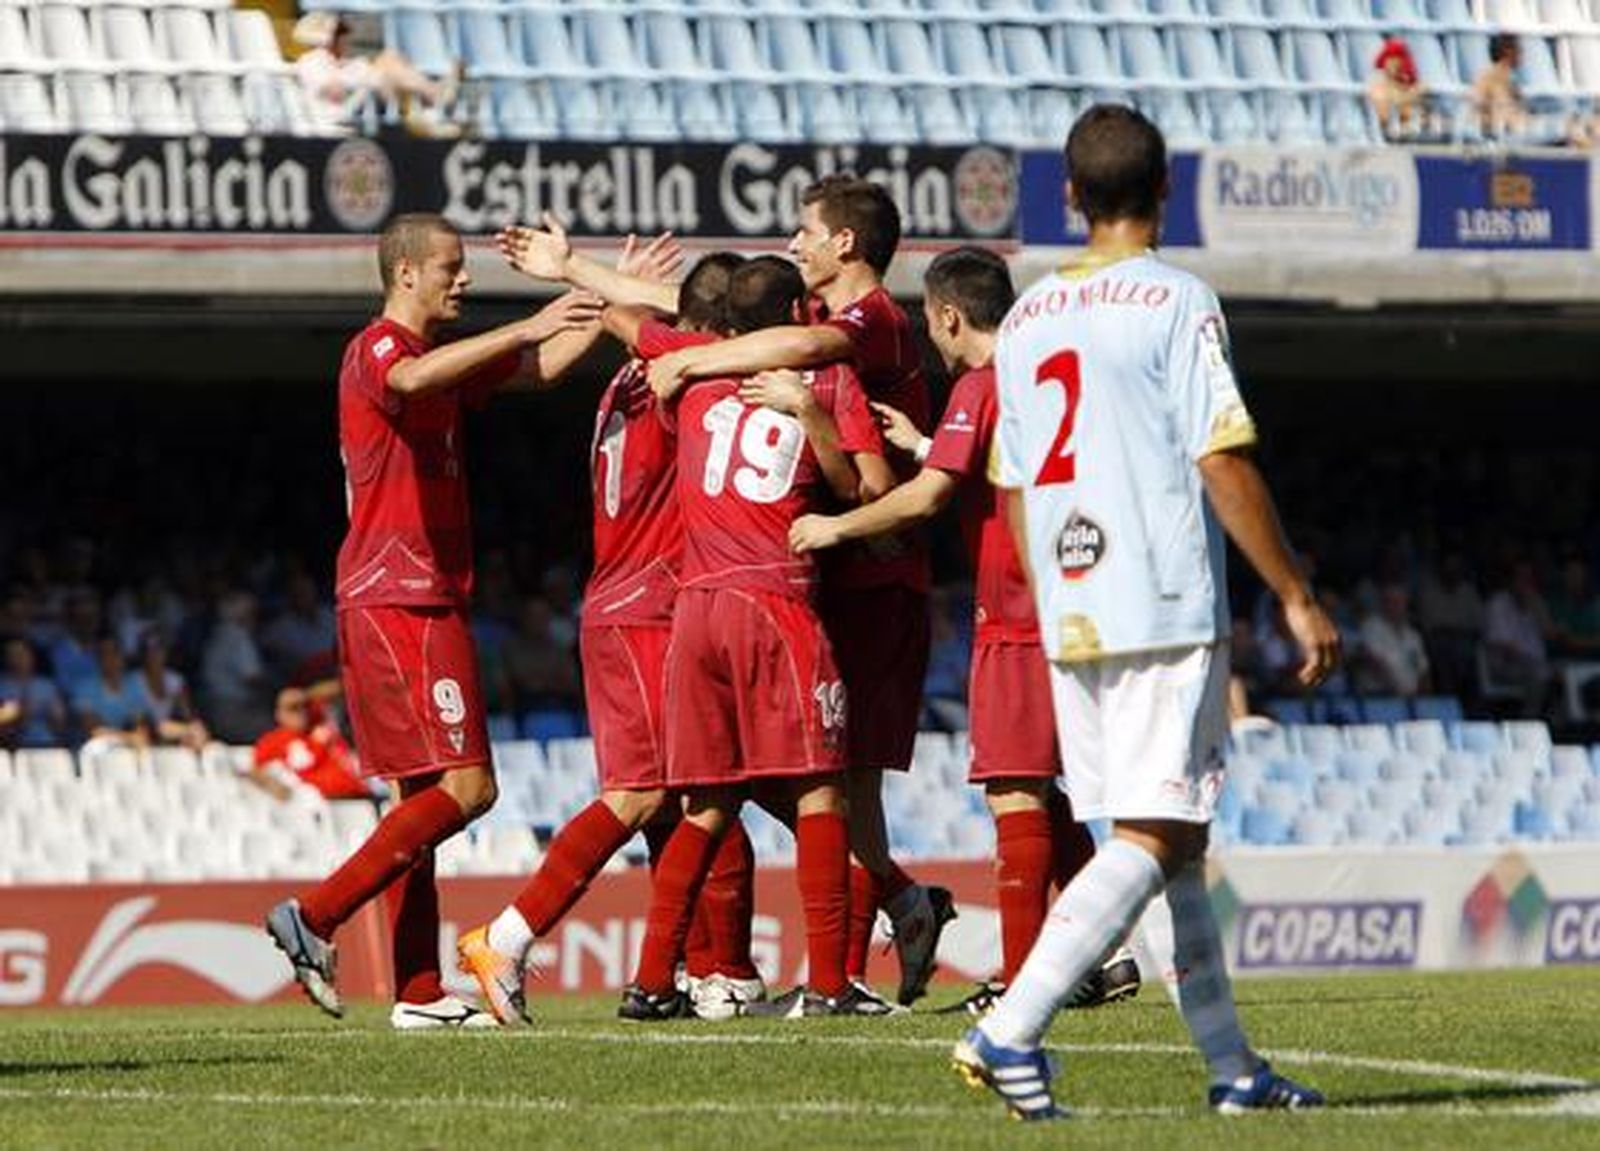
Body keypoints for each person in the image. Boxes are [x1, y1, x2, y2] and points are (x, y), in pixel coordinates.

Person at [950, 104, 1339, 1121]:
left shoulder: (1026, 317)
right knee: (1160, 830)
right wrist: (1295, 593)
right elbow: (1219, 454)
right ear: (1166, 191)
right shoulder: (1175, 297)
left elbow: (1016, 485)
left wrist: (1053, 589)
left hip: (1071, 608)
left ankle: (1232, 1067)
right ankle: (1010, 1025)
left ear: (1069, 196)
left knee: (1172, 840)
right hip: (1160, 599)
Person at [264, 212, 602, 1031]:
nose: (464, 279)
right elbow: (414, 382)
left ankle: (416, 989)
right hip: (398, 594)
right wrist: (524, 322)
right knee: (468, 786)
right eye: (451, 267)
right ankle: (314, 913)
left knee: (422, 796)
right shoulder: (380, 349)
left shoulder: (439, 363)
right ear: (406, 272)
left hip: (421, 592)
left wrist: (602, 296)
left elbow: (542, 369)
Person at [790, 246, 1137, 1016]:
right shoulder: (1046, 369)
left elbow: (925, 502)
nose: (928, 338)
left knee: (1015, 795)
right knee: (1045, 794)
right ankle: (1102, 954)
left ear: (949, 315)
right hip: (1078, 595)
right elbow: (1003, 459)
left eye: (930, 324)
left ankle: (1022, 982)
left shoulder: (983, 381)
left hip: (1015, 607)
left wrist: (834, 526)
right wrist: (925, 442)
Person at [644, 176, 953, 1007]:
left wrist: (685, 353)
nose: (798, 241)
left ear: (845, 243)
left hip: (865, 576)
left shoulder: (863, 325)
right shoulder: (799, 345)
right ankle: (868, 936)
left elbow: (810, 359)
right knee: (828, 781)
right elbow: (731, 314)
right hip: (801, 586)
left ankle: (838, 958)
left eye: (806, 229)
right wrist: (592, 279)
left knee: (831, 782)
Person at [459, 249, 773, 1025]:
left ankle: (712, 973)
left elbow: (630, 319)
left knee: (700, 795)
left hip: (626, 600)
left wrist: (605, 284)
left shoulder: (623, 382)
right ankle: (508, 934)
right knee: (646, 793)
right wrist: (608, 282)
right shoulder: (688, 372)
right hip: (650, 607)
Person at [620, 256, 896, 1019]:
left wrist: (578, 273)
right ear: (803, 313)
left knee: (706, 803)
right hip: (775, 599)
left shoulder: (690, 375)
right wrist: (810, 415)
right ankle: (832, 983)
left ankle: (650, 980)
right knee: (820, 789)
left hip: (696, 610)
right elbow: (863, 492)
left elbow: (629, 323)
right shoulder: (827, 379)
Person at [293, 11, 460, 137]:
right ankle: (431, 101)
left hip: (370, 96)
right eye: (338, 35)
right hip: (345, 110)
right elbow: (334, 92)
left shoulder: (344, 63)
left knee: (391, 57)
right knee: (387, 69)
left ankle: (427, 108)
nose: (344, 39)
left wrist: (351, 69)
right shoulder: (310, 60)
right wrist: (355, 77)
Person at [251, 687, 374, 804]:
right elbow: (255, 772)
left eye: (305, 705)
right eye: (293, 707)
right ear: (279, 713)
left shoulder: (320, 727)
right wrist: (274, 786)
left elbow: (337, 688)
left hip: (359, 794)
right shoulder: (272, 741)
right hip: (323, 803)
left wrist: (307, 695)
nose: (301, 711)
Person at [73, 635, 153, 750]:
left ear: (122, 657)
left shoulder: (135, 685)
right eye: (104, 654)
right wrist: (129, 738)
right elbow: (94, 730)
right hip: (95, 752)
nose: (109, 658)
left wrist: (135, 737)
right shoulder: (84, 688)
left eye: (114, 652)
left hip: (128, 748)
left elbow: (140, 727)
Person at [135, 631, 209, 750]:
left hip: (168, 731)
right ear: (143, 655)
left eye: (159, 651)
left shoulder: (175, 680)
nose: (156, 656)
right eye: (151, 652)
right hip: (144, 731)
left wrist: (194, 727)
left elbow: (188, 714)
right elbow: (139, 720)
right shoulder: (135, 680)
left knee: (197, 731)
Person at [1355, 584, 1431, 698]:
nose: (1397, 606)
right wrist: (1397, 691)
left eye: (1400, 602)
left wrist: (1425, 698)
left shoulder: (1413, 635)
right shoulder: (1371, 626)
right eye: (1392, 602)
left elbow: (1423, 670)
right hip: (1380, 696)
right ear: (1383, 604)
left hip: (1411, 698)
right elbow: (1373, 662)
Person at [0, 637, 68, 749]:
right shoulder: (2, 686)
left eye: (23, 653)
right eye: (13, 654)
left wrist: (56, 716)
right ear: (6, 658)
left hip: (46, 744)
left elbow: (59, 725)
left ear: (31, 655)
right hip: (11, 747)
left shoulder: (46, 685)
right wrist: (17, 714)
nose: (19, 658)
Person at [1472, 33, 1529, 143]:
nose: (1523, 54)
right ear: (1508, 51)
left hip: (1517, 136)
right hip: (1499, 139)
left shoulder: (1512, 81)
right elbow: (1478, 109)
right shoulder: (1486, 78)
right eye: (1519, 49)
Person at [1368, 36, 1427, 140]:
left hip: (1408, 132)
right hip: (1382, 134)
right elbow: (1383, 115)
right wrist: (1409, 96)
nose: (1393, 64)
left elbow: (1419, 94)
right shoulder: (1379, 81)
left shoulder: (1408, 82)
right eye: (1390, 59)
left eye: (1398, 60)